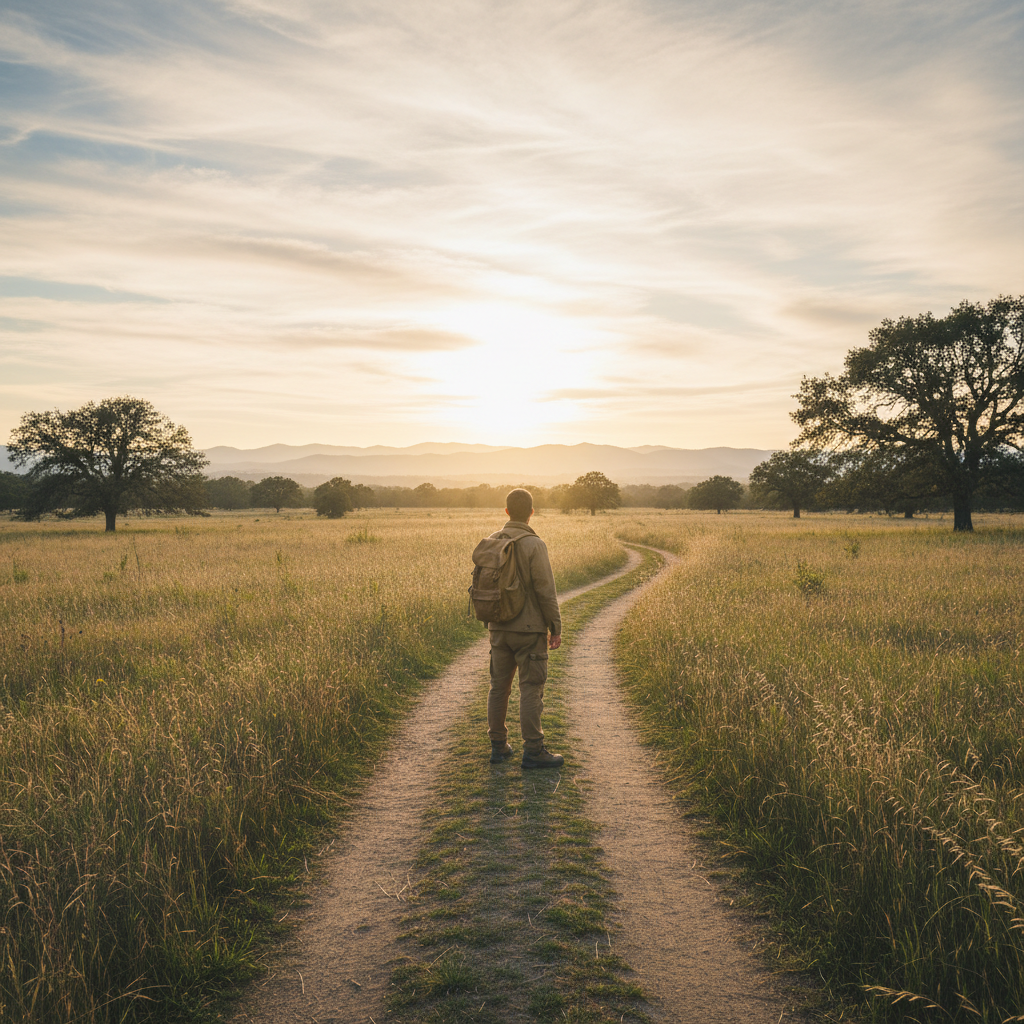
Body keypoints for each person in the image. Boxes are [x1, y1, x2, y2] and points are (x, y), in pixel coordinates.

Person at [486, 488, 563, 769]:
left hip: (498, 628)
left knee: (498, 688)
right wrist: (555, 626)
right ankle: (533, 750)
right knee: (531, 688)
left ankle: (498, 747)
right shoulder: (535, 544)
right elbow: (546, 590)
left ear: (506, 511)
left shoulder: (493, 541)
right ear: (532, 511)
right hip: (529, 630)